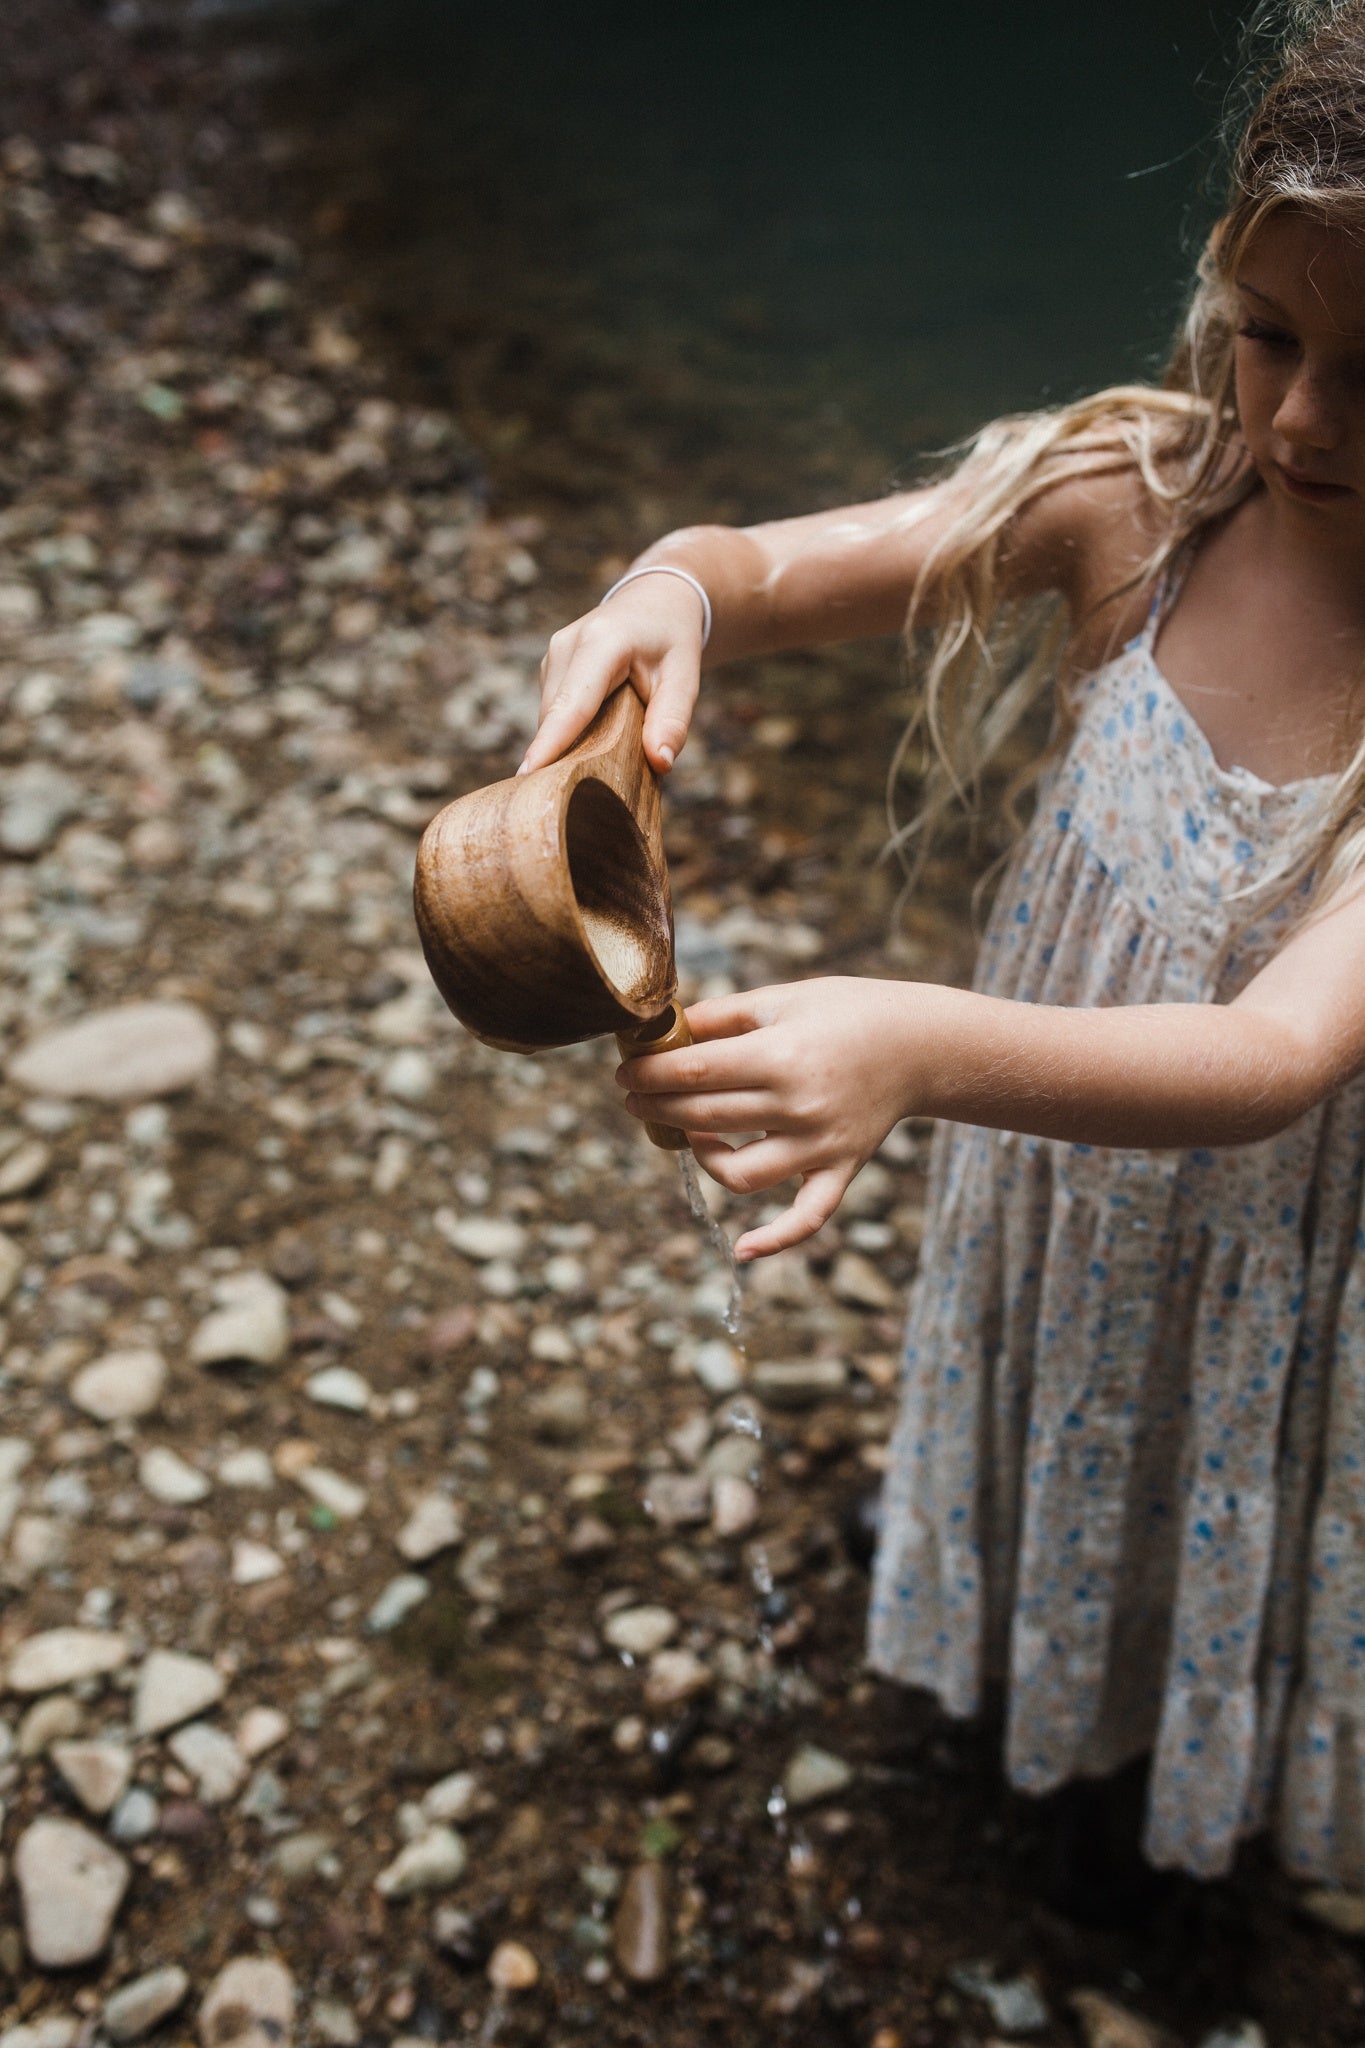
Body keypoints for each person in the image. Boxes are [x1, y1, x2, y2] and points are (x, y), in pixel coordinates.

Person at [519, 3, 1365, 1894]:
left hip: (1297, 1252)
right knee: (1059, 1415)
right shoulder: (1141, 504)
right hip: (1059, 1194)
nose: (1300, 416)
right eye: (1272, 332)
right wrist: (660, 597)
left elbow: (1273, 1059)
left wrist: (909, 1048)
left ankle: (1187, 1817)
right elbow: (756, 570)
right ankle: (1023, 1705)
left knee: (1244, 1490)